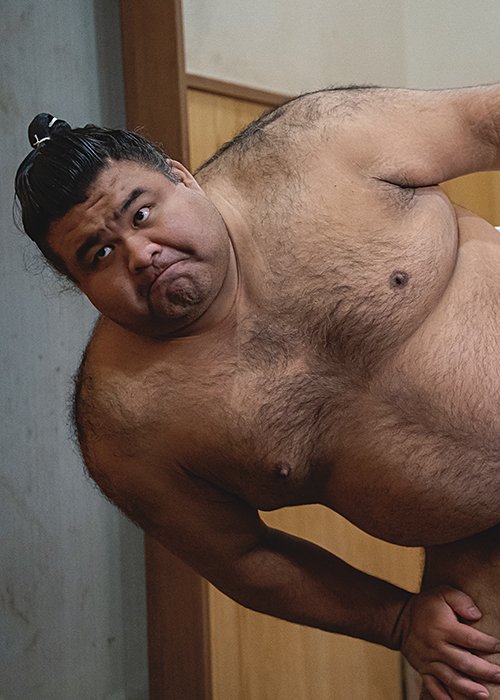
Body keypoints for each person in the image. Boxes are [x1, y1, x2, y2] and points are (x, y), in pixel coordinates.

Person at [14, 85, 500, 700]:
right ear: (77, 284)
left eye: (141, 214)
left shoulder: (313, 146)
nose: (140, 254)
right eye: (99, 253)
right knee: (471, 683)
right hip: (478, 542)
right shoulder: (126, 424)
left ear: (182, 179)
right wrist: (398, 621)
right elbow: (245, 558)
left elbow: (484, 122)